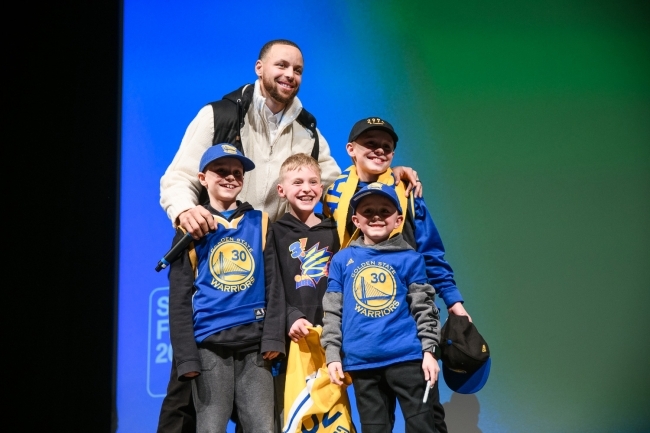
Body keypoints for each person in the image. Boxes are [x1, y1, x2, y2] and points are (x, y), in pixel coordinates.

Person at [157, 40, 421, 433]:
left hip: (269, 269)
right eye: (281, 66)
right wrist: (185, 211)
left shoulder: (307, 130)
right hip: (216, 266)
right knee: (187, 396)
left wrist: (386, 174)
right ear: (259, 67)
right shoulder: (219, 115)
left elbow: (337, 182)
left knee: (262, 403)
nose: (289, 75)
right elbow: (178, 176)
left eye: (297, 70)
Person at [323, 117, 473, 432]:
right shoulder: (332, 193)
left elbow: (430, 253)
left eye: (386, 147)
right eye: (370, 144)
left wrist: (455, 304)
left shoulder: (406, 191)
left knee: (426, 421)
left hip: (404, 337)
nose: (379, 151)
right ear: (351, 149)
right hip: (360, 337)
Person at [168, 143, 285, 433]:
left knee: (262, 428)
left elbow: (274, 286)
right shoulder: (190, 230)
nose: (231, 177)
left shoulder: (261, 222)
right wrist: (186, 357)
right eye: (221, 171)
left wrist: (273, 339)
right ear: (202, 178)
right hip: (209, 346)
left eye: (237, 172)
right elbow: (179, 299)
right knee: (210, 428)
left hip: (254, 347)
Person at [321, 183, 441, 433]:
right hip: (363, 363)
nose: (376, 216)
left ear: (398, 219)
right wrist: (332, 354)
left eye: (384, 211)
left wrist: (429, 350)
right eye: (368, 211)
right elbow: (332, 310)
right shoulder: (342, 260)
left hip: (407, 359)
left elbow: (425, 307)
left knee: (422, 425)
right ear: (356, 219)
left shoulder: (410, 258)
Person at [264, 153, 340, 429]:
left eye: (313, 182)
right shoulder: (273, 232)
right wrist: (289, 317)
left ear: (322, 188)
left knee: (331, 411)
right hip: (292, 340)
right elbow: (272, 286)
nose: (306, 188)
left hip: (330, 338)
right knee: (291, 413)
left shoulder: (335, 231)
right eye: (297, 182)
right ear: (281, 191)